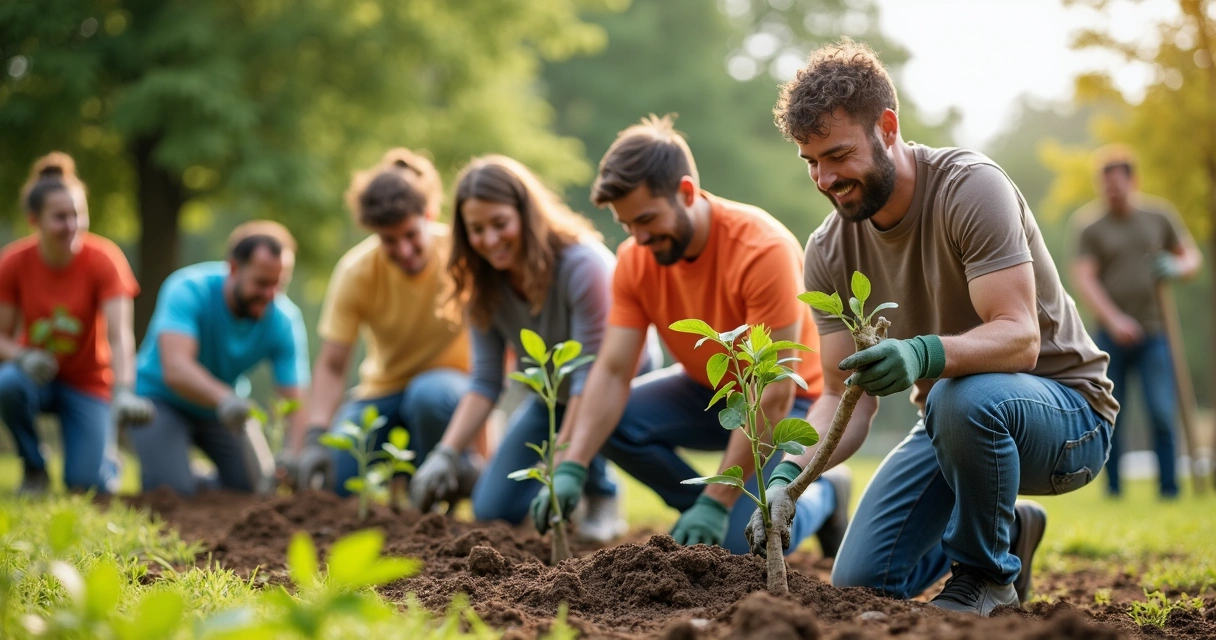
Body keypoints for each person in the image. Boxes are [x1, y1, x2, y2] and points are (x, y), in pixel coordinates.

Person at [747, 39, 1119, 615]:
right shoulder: (827, 250)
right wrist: (789, 476)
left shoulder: (970, 188)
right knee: (859, 582)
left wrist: (921, 355)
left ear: (887, 127)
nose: (823, 178)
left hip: (1068, 418)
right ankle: (1006, 529)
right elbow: (845, 400)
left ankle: (986, 576)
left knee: (956, 395)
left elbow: (1020, 338)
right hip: (955, 424)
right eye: (811, 162)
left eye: (838, 155)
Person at [529, 115, 849, 557]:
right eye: (627, 226)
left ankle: (825, 492)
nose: (639, 238)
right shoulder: (635, 259)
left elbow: (771, 390)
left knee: (745, 546)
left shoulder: (761, 249)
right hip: (706, 393)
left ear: (685, 192)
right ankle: (703, 515)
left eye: (647, 219)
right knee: (615, 421)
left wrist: (717, 501)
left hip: (786, 406)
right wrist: (571, 465)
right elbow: (613, 371)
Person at [409, 154, 658, 542]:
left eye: (500, 224)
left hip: (617, 379)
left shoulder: (582, 265)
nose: (490, 240)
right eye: (476, 229)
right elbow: (486, 382)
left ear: (526, 214)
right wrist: (445, 453)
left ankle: (601, 492)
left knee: (585, 416)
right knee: (492, 510)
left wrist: (562, 468)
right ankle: (561, 492)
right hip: (551, 395)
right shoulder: (482, 285)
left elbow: (587, 379)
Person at [284, 148, 476, 498]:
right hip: (384, 391)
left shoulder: (462, 255)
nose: (403, 250)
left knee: (428, 396)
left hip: (449, 391)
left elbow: (496, 348)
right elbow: (332, 363)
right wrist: (314, 437)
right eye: (389, 240)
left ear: (429, 215)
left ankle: (452, 478)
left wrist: (484, 439)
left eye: (411, 235)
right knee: (339, 478)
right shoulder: (356, 271)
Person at [0, 152, 154, 495]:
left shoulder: (104, 260)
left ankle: (105, 462)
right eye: (59, 217)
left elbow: (120, 336)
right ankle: (34, 467)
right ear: (34, 220)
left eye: (78, 215)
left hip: (88, 383)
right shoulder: (13, 263)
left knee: (86, 486)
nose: (71, 225)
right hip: (36, 377)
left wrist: (124, 391)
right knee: (7, 383)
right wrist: (22, 356)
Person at [128, 221, 310, 495]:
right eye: (261, 283)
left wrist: (294, 454)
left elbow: (294, 400)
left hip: (223, 414)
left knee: (256, 488)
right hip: (159, 401)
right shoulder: (188, 289)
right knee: (173, 491)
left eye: (278, 285)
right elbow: (176, 369)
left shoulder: (284, 320)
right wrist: (224, 397)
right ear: (234, 268)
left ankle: (201, 481)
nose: (270, 295)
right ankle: (178, 474)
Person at [1068, 145, 1202, 500]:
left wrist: (1179, 267)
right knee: (1113, 413)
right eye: (1105, 185)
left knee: (1161, 409)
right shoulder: (1090, 226)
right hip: (1111, 336)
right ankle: (1113, 490)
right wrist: (1115, 320)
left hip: (1157, 332)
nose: (1111, 191)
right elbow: (1085, 278)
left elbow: (1190, 255)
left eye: (1117, 183)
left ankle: (1169, 490)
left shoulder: (1159, 217)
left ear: (1133, 180)